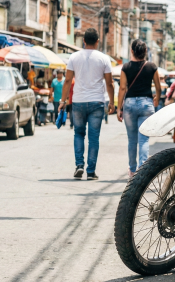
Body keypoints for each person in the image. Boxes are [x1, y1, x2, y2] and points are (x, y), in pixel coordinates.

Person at [59, 28, 115, 181]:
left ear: (83, 41)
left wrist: (62, 101)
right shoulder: (104, 58)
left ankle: (79, 165)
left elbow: (68, 81)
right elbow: (109, 83)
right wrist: (111, 102)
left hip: (78, 101)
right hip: (97, 102)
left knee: (78, 134)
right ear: (97, 41)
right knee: (94, 138)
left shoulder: (74, 57)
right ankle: (91, 172)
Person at [118, 40, 162, 177]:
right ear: (145, 52)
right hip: (146, 104)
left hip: (130, 104)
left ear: (132, 51)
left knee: (132, 140)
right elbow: (158, 87)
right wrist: (157, 99)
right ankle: (142, 171)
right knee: (144, 139)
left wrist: (119, 107)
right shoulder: (152, 66)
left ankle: (132, 170)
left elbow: (122, 88)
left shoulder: (125, 67)